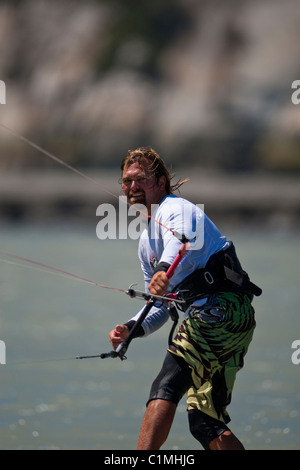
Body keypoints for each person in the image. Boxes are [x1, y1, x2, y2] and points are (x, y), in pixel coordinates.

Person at [108, 147, 261, 451]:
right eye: (127, 181)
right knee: (204, 421)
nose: (132, 187)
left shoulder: (176, 209)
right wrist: (131, 329)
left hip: (219, 310)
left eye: (140, 179)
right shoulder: (145, 243)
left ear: (161, 181)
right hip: (232, 319)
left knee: (166, 385)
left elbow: (182, 240)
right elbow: (162, 306)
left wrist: (164, 271)